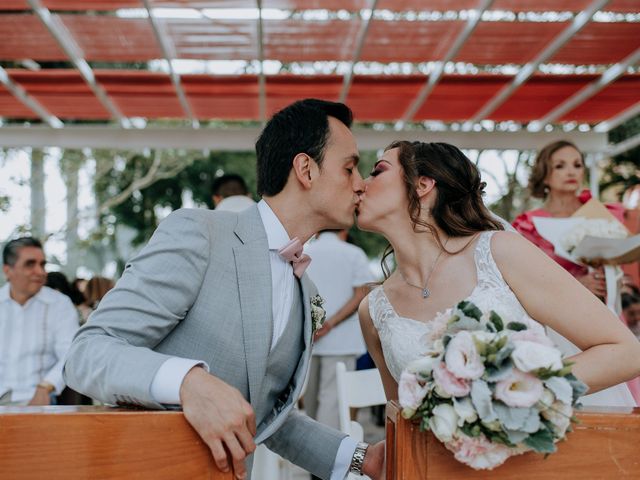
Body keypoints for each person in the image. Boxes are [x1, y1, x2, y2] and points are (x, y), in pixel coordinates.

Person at [63, 99, 384, 480]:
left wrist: (360, 459)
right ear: (306, 170)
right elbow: (87, 353)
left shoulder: (304, 288)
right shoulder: (201, 234)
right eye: (350, 168)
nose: (361, 183)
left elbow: (266, 415)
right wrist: (187, 381)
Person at [356, 141, 640, 411]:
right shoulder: (374, 310)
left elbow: (626, 352)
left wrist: (515, 396)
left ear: (423, 185)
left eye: (377, 171)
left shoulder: (499, 253)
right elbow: (401, 421)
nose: (359, 185)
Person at [512, 140, 625, 297]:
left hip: (609, 307)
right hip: (559, 312)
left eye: (577, 165)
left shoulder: (604, 214)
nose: (571, 172)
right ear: (544, 175)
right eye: (560, 166)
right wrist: (576, 284)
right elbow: (524, 279)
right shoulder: (527, 226)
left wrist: (614, 279)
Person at [304, 229, 374, 432]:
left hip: (309, 339)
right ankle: (326, 453)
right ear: (344, 230)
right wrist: (330, 323)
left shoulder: (305, 253)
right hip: (341, 340)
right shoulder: (353, 253)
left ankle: (308, 448)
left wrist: (312, 324)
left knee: (309, 399)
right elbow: (361, 294)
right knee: (333, 401)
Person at [0, 237, 79, 406]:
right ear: (8, 270)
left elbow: (71, 354)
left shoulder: (60, 304)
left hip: (38, 398)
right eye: (30, 264)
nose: (40, 271)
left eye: (42, 264)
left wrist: (46, 386)